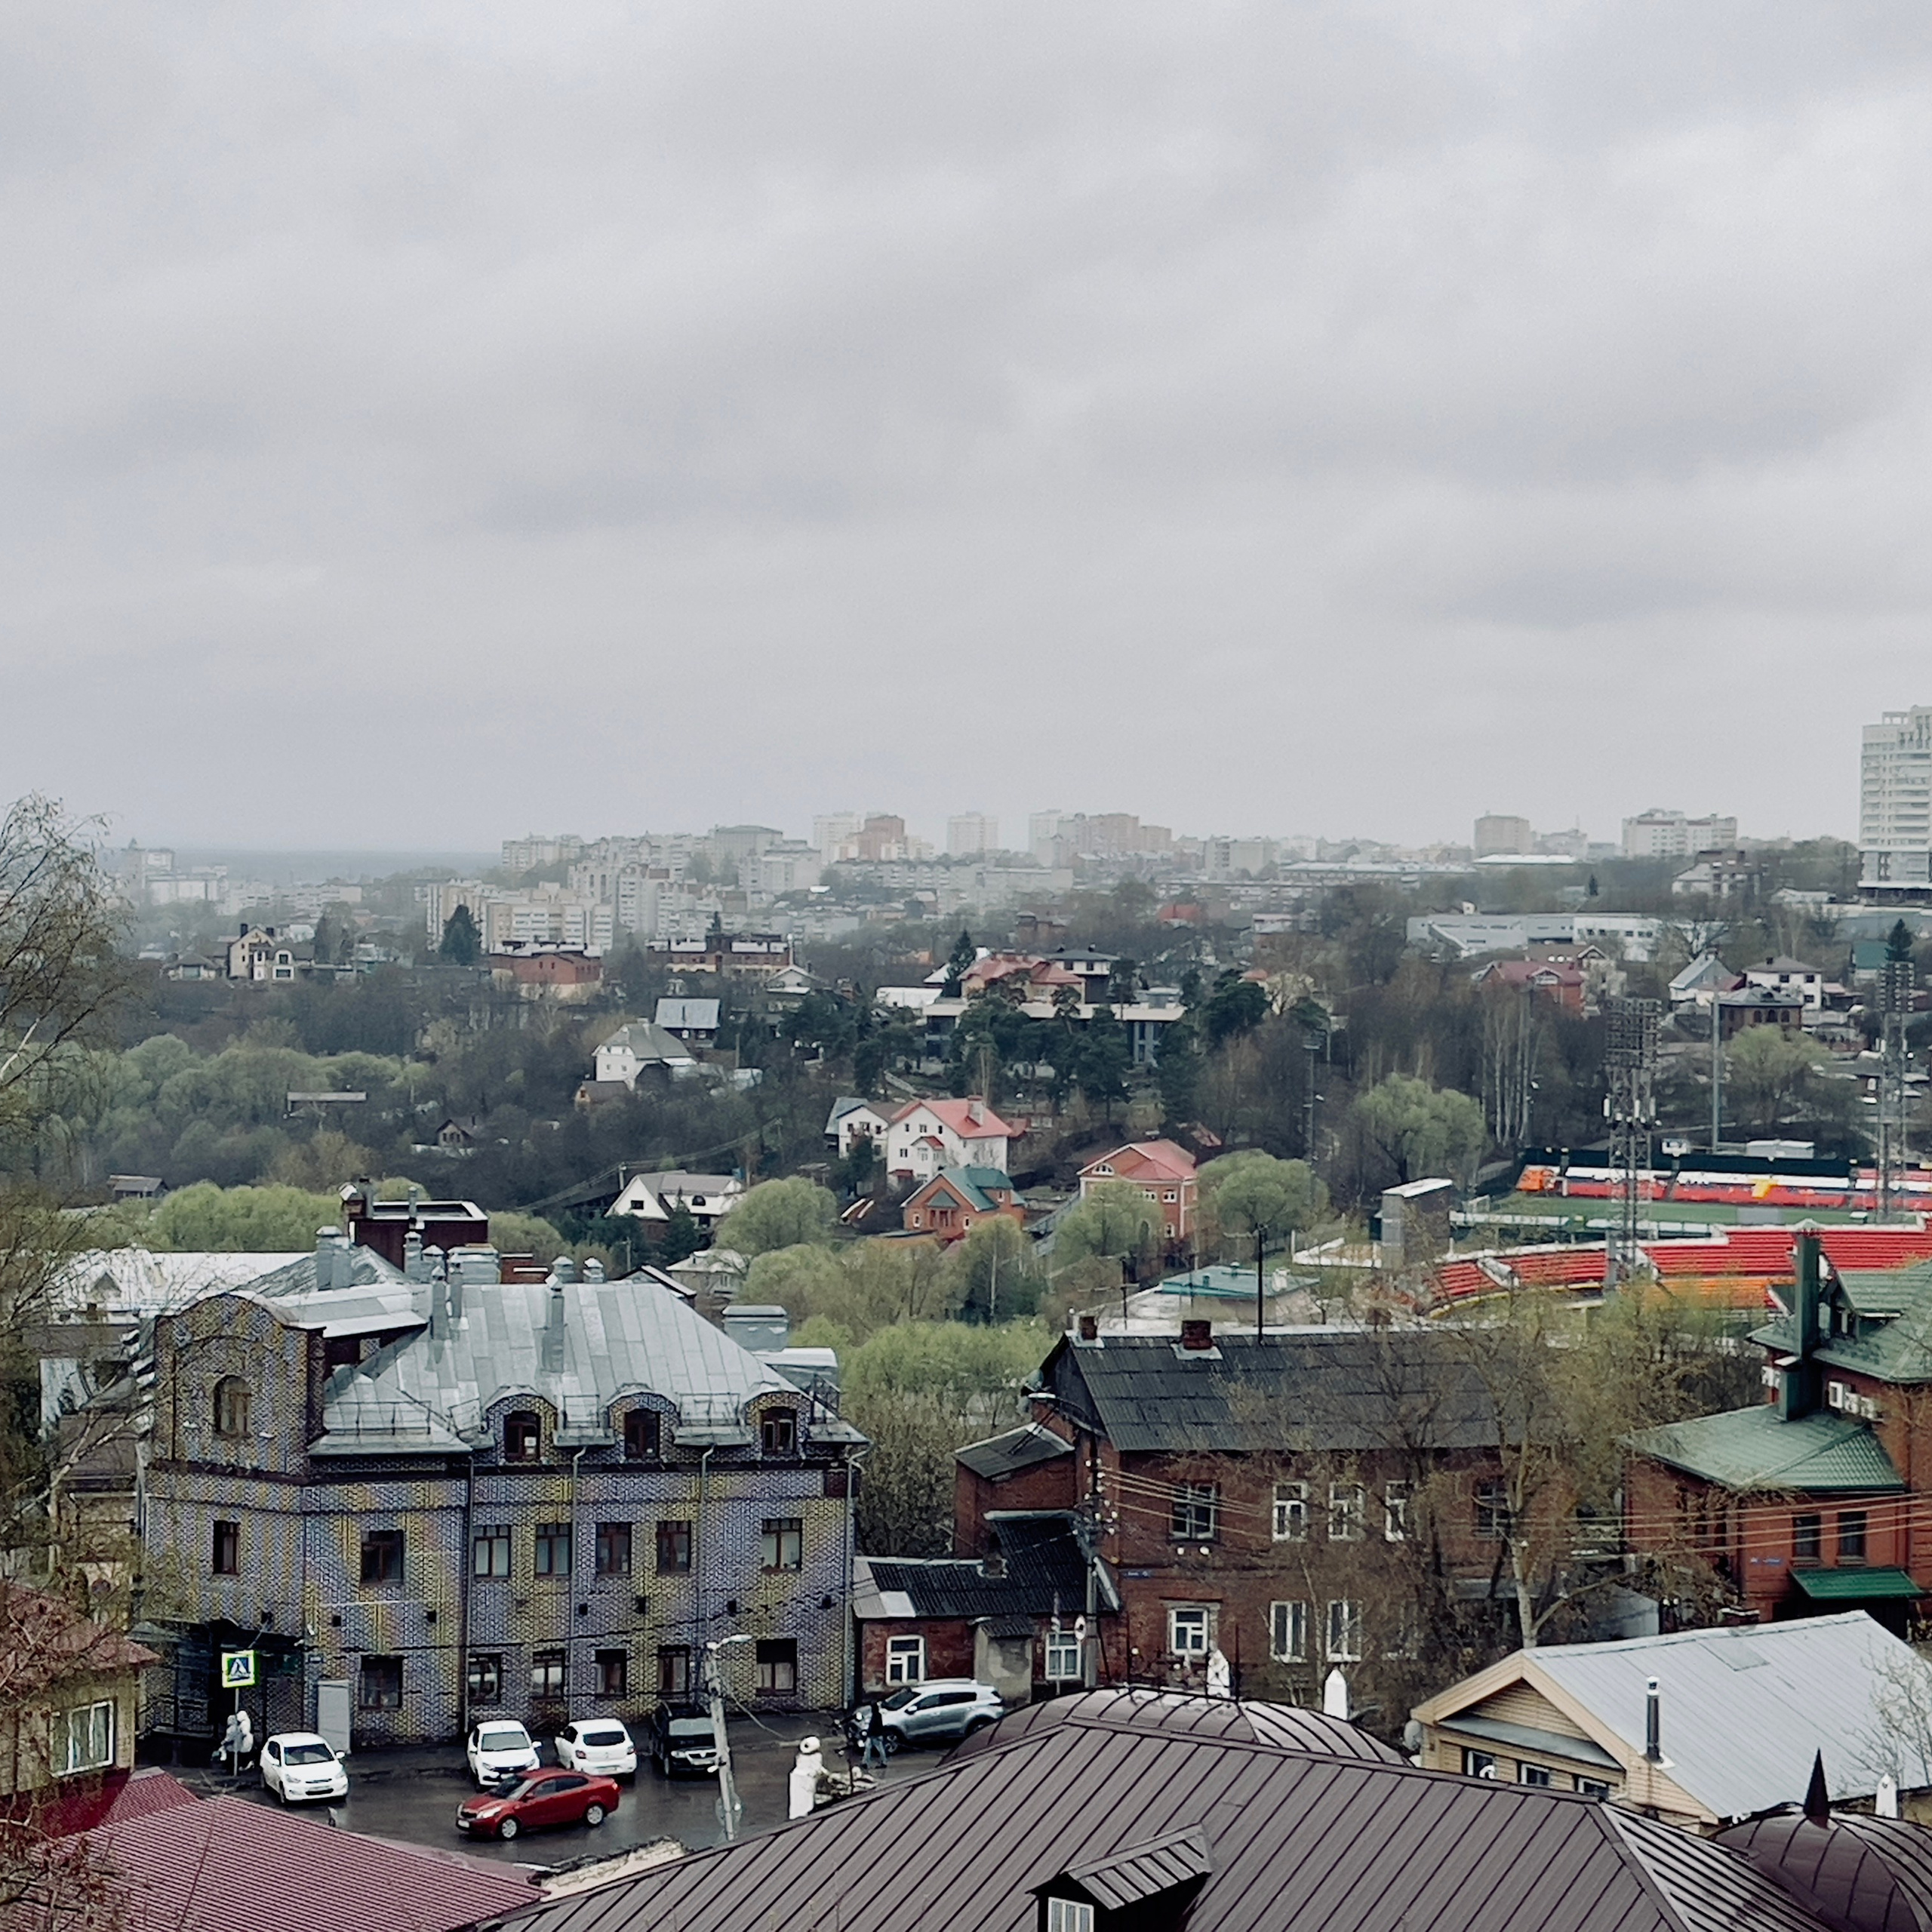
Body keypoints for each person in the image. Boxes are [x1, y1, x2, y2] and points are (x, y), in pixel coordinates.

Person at [860, 1700, 888, 1770]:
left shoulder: (876, 1716)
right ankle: (865, 1762)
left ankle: (882, 1762)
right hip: (874, 1735)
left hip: (874, 1736)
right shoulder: (877, 1715)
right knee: (870, 1748)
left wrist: (870, 1734)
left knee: (872, 1748)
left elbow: (875, 1727)